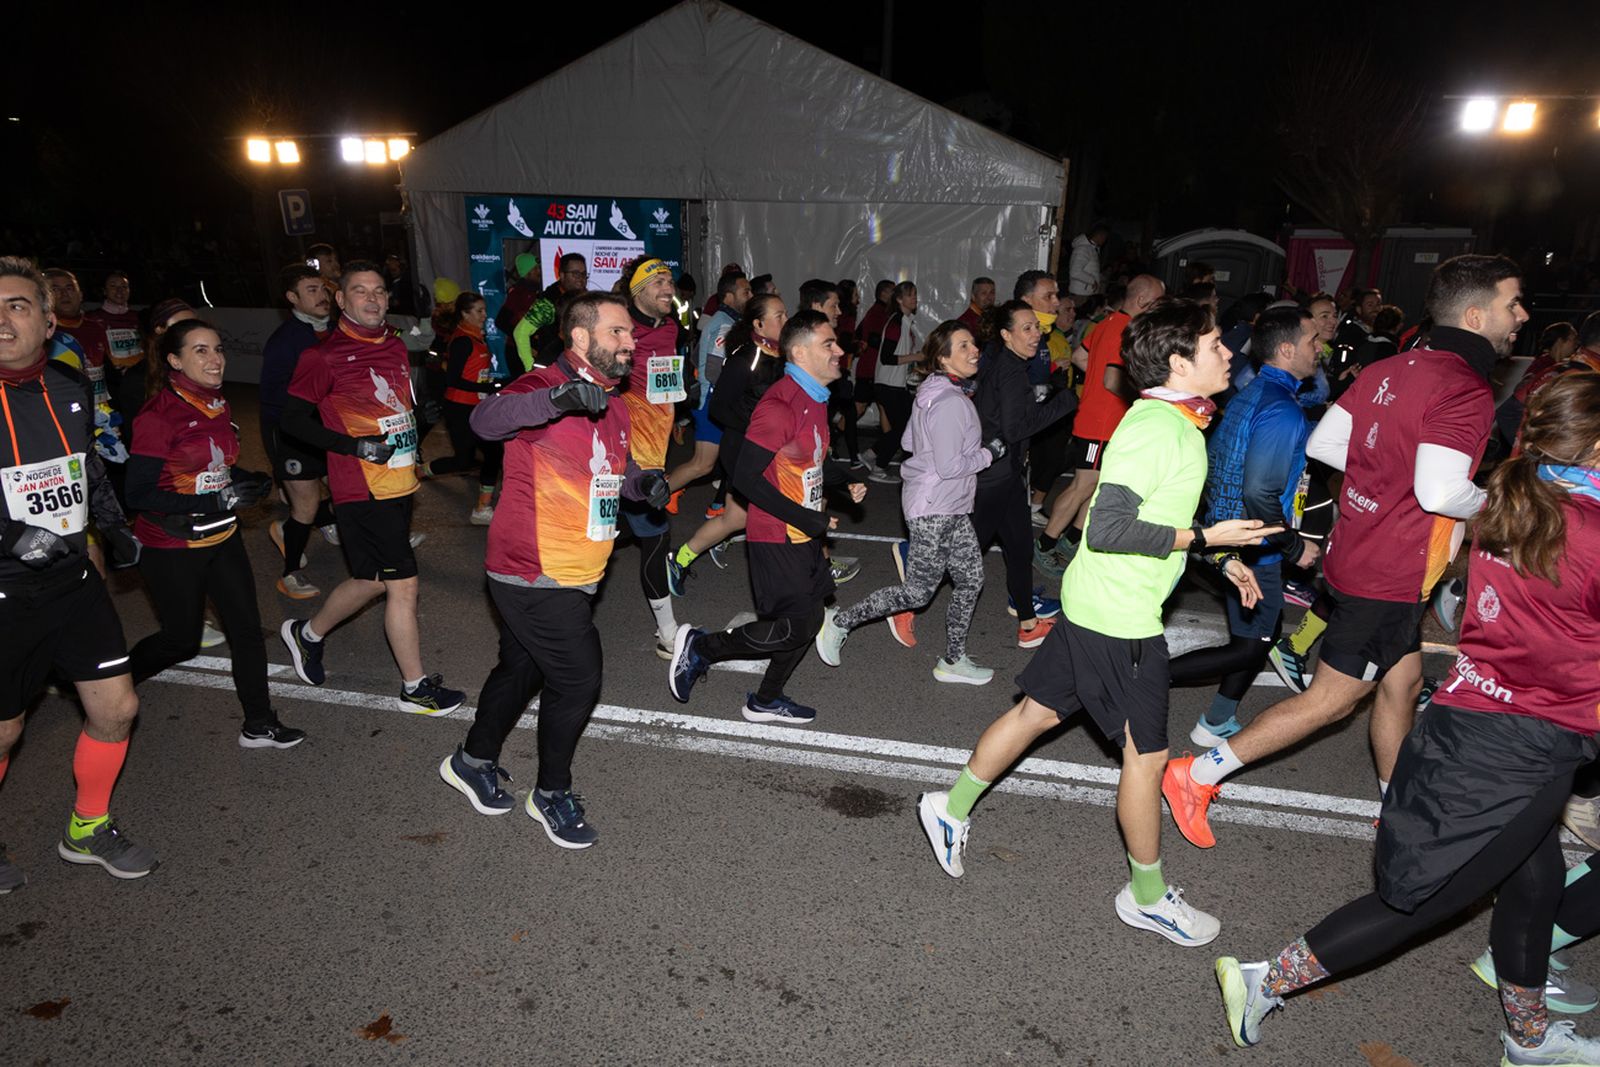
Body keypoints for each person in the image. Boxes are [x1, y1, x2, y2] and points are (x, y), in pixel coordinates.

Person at [1215, 372, 1600, 1065]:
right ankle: (1262, 980)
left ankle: (1529, 1037)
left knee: (1535, 880)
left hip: (1471, 719)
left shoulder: (1513, 503)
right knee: (1419, 903)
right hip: (1524, 746)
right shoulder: (1584, 527)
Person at [916, 298, 1277, 950]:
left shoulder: (1174, 422)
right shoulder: (1159, 429)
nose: (1229, 352)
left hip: (1096, 605)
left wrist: (1218, 557)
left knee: (1035, 716)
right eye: (1216, 343)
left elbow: (1151, 515)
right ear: (1177, 361)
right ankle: (1146, 897)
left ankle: (950, 807)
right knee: (1148, 759)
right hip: (1121, 619)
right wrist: (1202, 536)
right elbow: (1105, 526)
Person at [1165, 254, 1527, 849]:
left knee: (1402, 683)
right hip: (1390, 572)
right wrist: (1507, 506)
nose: (1522, 315)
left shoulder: (1393, 364)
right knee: (1331, 702)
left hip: (1360, 552)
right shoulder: (1465, 387)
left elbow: (1328, 443)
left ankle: (1393, 802)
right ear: (1474, 313)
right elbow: (1440, 490)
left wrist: (1383, 483)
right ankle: (1196, 774)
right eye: (1513, 303)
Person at [438, 292, 669, 849]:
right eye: (618, 333)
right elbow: (484, 421)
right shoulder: (537, 387)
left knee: (522, 669)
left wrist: (643, 484)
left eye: (631, 335)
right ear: (581, 338)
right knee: (578, 677)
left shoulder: (614, 402)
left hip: (580, 568)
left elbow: (617, 468)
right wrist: (555, 399)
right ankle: (551, 795)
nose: (631, 343)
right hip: (535, 571)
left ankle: (472, 760)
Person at [0, 256, 154, 885]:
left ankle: (87, 827)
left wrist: (114, 527)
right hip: (5, 593)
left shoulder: (68, 387)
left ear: (46, 320)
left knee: (117, 709)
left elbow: (84, 469)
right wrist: (12, 535)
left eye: (17, 305)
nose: (3, 319)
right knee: (4, 734)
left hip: (72, 579)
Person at [277, 261, 466, 714]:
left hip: (398, 482)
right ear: (341, 300)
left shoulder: (395, 347)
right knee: (403, 586)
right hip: (361, 487)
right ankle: (415, 688)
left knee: (371, 581)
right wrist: (352, 446)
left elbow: (396, 408)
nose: (372, 299)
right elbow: (289, 419)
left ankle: (306, 635)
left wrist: (415, 441)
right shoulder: (322, 356)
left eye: (379, 291)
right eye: (360, 291)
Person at [668, 311, 867, 724]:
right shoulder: (780, 404)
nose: (839, 351)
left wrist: (842, 480)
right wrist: (807, 519)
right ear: (799, 352)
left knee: (807, 621)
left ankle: (764, 700)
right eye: (828, 345)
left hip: (802, 531)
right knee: (794, 627)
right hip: (776, 533)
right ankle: (700, 649)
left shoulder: (814, 399)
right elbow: (744, 477)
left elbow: (806, 459)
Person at [123, 319, 304, 748]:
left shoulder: (217, 404)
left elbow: (213, 468)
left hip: (222, 538)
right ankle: (109, 684)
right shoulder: (159, 414)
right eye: (200, 350)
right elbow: (138, 493)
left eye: (218, 348)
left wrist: (248, 480)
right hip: (171, 546)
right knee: (180, 640)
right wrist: (217, 501)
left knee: (245, 630)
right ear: (174, 360)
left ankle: (259, 723)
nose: (215, 358)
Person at [814, 321, 1002, 683]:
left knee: (971, 578)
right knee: (918, 592)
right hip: (935, 507)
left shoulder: (935, 390)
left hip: (948, 505)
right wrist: (988, 453)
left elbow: (914, 443)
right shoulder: (949, 401)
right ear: (944, 358)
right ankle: (839, 623)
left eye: (973, 343)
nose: (973, 350)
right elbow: (950, 466)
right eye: (962, 346)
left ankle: (953, 660)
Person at [1169, 307, 1321, 747]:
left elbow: (1217, 461)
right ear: (1288, 349)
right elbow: (1260, 492)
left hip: (1229, 533)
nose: (1320, 347)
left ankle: (1217, 719)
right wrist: (1296, 548)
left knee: (1251, 634)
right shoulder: (1281, 410)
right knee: (1255, 643)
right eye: (1313, 340)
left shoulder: (1250, 394)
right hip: (1254, 543)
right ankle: (1144, 677)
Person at [1034, 274, 1166, 574]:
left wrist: (1095, 382)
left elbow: (1082, 356)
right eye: (1157, 303)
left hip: (1101, 417)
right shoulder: (1126, 330)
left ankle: (1071, 540)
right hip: (1101, 421)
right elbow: (1110, 378)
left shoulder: (1107, 323)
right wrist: (1143, 398)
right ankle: (1044, 544)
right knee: (1084, 485)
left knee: (1097, 485)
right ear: (1143, 301)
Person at [971, 301, 1077, 647]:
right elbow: (1017, 427)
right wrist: (1064, 402)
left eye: (1037, 327)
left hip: (1007, 474)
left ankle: (1028, 624)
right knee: (967, 553)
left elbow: (1006, 411)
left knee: (1019, 548)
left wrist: (1042, 393)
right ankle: (908, 596)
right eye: (1027, 328)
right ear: (1006, 335)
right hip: (995, 478)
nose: (1036, 335)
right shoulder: (1012, 370)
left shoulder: (1005, 363)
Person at [666, 293, 787, 592]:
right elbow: (719, 408)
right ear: (759, 324)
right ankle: (791, 580)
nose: (786, 320)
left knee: (735, 518)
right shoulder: (744, 359)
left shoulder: (782, 356)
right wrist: (755, 430)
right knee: (775, 512)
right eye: (779, 315)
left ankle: (679, 559)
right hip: (743, 449)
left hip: (766, 449)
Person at [616, 257, 687, 658]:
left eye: (670, 281)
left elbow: (664, 379)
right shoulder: (619, 329)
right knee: (656, 538)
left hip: (657, 448)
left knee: (621, 534)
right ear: (637, 290)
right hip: (626, 453)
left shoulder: (672, 327)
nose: (668, 288)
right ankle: (667, 632)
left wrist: (677, 407)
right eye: (659, 281)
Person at [260, 264, 335, 599]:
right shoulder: (284, 341)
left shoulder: (336, 328)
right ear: (292, 298)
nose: (322, 296)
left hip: (328, 428)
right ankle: (290, 573)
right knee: (305, 504)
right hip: (291, 432)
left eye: (322, 288)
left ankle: (292, 528)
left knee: (352, 485)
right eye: (311, 290)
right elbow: (273, 397)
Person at [673, 270, 751, 521]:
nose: (750, 296)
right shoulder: (725, 325)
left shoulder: (722, 321)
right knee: (702, 464)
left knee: (722, 460)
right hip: (711, 402)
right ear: (728, 296)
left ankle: (721, 508)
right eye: (745, 292)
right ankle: (660, 491)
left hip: (711, 400)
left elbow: (696, 357)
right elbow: (714, 370)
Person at [423, 292, 503, 524]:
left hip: (477, 407)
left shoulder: (478, 337)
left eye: (484, 310)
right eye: (478, 311)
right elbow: (453, 379)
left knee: (494, 452)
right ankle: (418, 472)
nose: (484, 315)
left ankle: (482, 509)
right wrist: (487, 386)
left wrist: (489, 386)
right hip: (459, 408)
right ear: (465, 314)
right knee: (463, 461)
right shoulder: (462, 341)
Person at [865, 281, 921, 483]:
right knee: (901, 429)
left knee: (905, 425)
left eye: (915, 295)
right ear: (899, 299)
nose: (915, 298)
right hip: (888, 385)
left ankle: (871, 455)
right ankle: (878, 469)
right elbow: (887, 358)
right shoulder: (896, 323)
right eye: (910, 295)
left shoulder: (904, 322)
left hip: (895, 385)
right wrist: (916, 357)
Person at [1496, 321, 1579, 447]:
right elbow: (1513, 406)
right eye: (1573, 339)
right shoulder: (1546, 368)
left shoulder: (1548, 364)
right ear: (1561, 341)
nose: (1576, 344)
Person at [512, 252, 588, 372]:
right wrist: (530, 369)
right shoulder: (548, 302)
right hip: (555, 368)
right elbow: (520, 332)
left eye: (583, 274)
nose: (581, 278)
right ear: (562, 275)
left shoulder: (585, 297)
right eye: (575, 274)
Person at [88, 271, 144, 377]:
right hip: (107, 378)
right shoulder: (92, 318)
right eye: (113, 286)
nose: (119, 290)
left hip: (137, 377)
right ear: (104, 291)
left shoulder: (140, 318)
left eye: (124, 286)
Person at [1067, 224, 1110, 303]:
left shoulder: (1093, 249)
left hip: (1087, 293)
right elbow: (1075, 272)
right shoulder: (1083, 249)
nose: (1105, 241)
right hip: (1080, 294)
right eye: (1105, 238)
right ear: (1100, 236)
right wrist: (1092, 281)